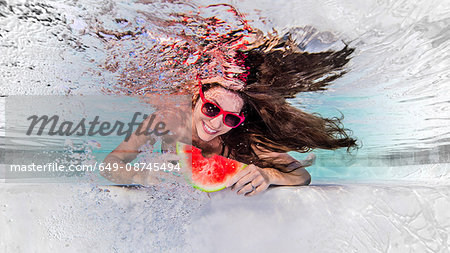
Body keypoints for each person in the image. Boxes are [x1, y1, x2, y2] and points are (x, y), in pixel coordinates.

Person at [101, 37, 358, 196]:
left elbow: (301, 176)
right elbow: (110, 164)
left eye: (230, 118)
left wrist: (269, 175)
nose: (216, 124)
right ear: (195, 98)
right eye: (211, 109)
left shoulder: (243, 139)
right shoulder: (166, 120)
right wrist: (140, 177)